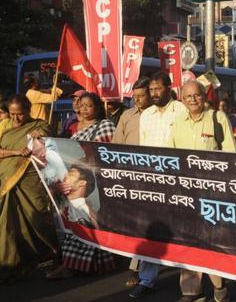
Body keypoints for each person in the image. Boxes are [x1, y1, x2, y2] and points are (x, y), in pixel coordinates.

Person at [168, 81, 235, 302]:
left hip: (212, 195)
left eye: (196, 96)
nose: (193, 100)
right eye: (188, 97)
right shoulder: (177, 122)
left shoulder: (217, 118)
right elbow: (170, 157)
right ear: (182, 100)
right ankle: (191, 292)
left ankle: (219, 287)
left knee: (212, 243)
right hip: (186, 194)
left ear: (203, 96)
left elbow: (230, 157)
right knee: (187, 242)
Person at [45, 92, 116, 279]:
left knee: (87, 221)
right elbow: (64, 149)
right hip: (75, 179)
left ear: (98, 108)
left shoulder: (105, 125)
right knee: (76, 223)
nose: (84, 109)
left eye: (88, 105)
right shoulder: (75, 128)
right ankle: (88, 265)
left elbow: (105, 153)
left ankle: (73, 267)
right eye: (81, 105)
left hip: (95, 182)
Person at [130, 72, 186, 298]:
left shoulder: (180, 110)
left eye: (157, 89)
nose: (153, 94)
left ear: (169, 88)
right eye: (151, 90)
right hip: (152, 178)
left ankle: (189, 283)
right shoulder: (147, 115)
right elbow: (144, 148)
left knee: (184, 230)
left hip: (177, 179)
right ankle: (147, 279)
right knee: (150, 229)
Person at [0, 95, 59, 282]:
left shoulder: (38, 125)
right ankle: (12, 261)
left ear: (28, 110)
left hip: (31, 181)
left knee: (38, 216)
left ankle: (51, 252)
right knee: (8, 223)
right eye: (12, 114)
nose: (16, 118)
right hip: (7, 180)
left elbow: (47, 132)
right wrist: (16, 152)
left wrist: (39, 133)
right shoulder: (6, 132)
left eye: (20, 114)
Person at [111, 77, 152, 288]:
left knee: (147, 224)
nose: (137, 100)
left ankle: (137, 270)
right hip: (130, 177)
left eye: (141, 96)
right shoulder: (127, 116)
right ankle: (136, 265)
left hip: (153, 177)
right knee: (135, 224)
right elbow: (116, 146)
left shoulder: (158, 116)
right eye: (134, 96)